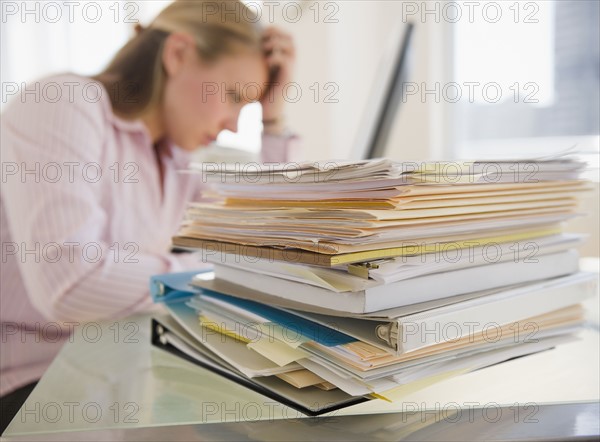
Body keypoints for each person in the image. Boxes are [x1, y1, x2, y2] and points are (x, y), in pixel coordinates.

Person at [0, 0, 297, 432]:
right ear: (177, 54)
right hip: (31, 389)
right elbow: (71, 283)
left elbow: (264, 230)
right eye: (234, 97)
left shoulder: (171, 161)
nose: (234, 124)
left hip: (111, 372)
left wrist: (274, 120)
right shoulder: (66, 104)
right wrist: (217, 275)